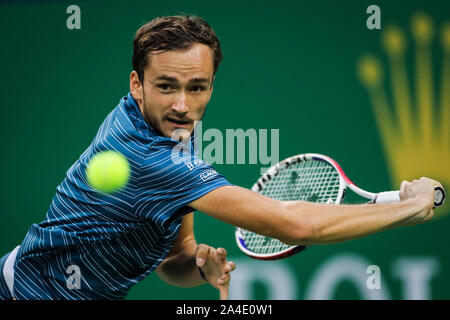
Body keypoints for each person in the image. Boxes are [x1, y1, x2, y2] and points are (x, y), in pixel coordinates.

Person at [0, 15, 442, 300]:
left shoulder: (161, 125)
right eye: (166, 85)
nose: (181, 104)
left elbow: (175, 262)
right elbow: (296, 224)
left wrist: (200, 269)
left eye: (197, 87)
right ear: (137, 83)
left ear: (211, 84)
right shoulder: (150, 158)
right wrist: (410, 207)